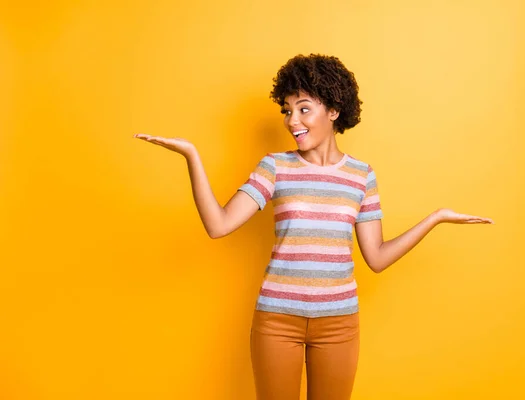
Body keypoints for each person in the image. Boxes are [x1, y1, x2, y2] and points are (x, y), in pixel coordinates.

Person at [134, 53, 494, 400]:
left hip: (339, 324)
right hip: (277, 320)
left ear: (334, 111)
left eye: (304, 109)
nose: (293, 121)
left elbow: (378, 257)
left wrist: (435, 218)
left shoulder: (361, 176)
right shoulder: (275, 167)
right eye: (288, 110)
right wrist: (192, 156)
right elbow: (218, 225)